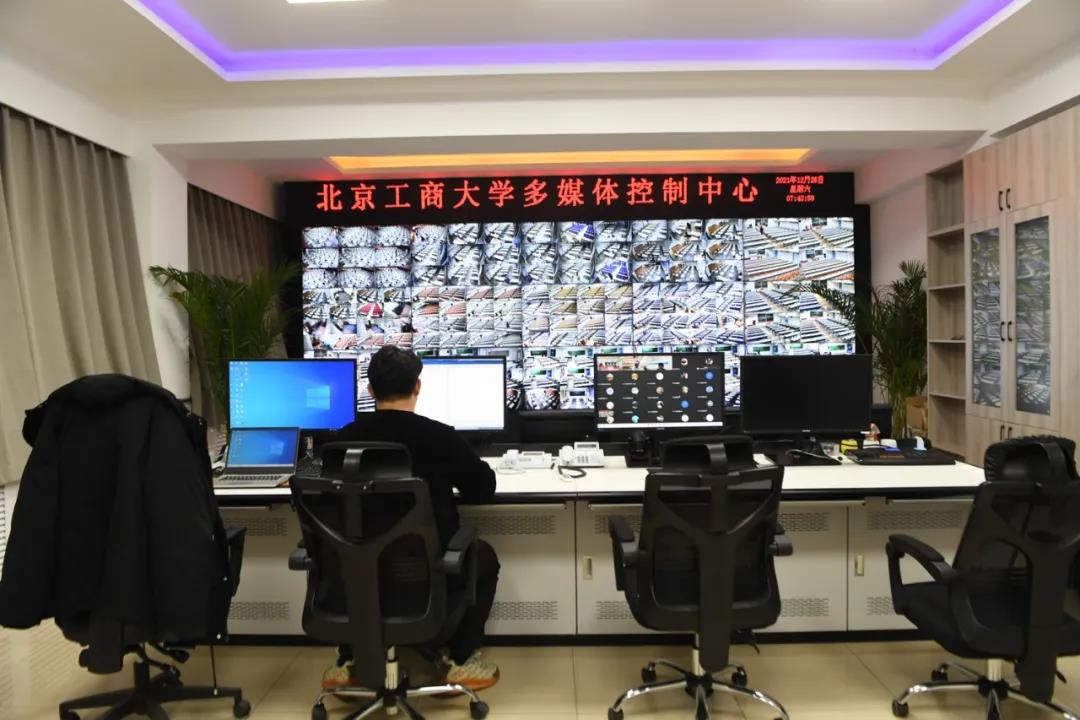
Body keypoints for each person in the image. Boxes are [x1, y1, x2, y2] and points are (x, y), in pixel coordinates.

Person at [322, 345, 500, 693]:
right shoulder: (440, 437)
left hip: (357, 579)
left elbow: (317, 493)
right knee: (484, 557)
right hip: (427, 575)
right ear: (418, 386)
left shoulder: (340, 440)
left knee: (342, 553)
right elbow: (483, 488)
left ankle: (350, 660)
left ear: (370, 390)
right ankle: (460, 659)